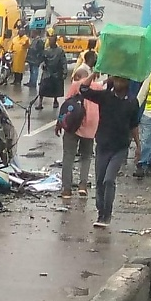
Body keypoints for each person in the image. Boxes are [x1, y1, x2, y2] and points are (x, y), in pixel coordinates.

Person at [80, 73, 141, 227]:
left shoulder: (132, 101)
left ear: (127, 81)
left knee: (109, 180)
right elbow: (84, 89)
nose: (119, 83)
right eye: (117, 79)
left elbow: (134, 125)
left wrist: (138, 146)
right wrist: (95, 73)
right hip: (102, 144)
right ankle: (100, 211)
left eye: (123, 79)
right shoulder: (105, 97)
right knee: (99, 180)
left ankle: (106, 215)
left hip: (120, 147)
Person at [56, 67, 102, 198]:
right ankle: (83, 186)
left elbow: (66, 107)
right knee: (86, 157)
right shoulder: (98, 87)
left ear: (78, 77)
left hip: (74, 125)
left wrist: (59, 123)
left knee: (68, 156)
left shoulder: (77, 85)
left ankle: (66, 189)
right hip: (91, 126)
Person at [36, 34, 67, 110]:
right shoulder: (46, 50)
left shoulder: (60, 51)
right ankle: (40, 103)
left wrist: (64, 72)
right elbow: (41, 59)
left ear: (55, 41)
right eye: (49, 40)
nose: (50, 42)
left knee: (55, 88)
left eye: (52, 40)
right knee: (42, 88)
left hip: (56, 71)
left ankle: (55, 101)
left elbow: (63, 62)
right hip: (47, 72)